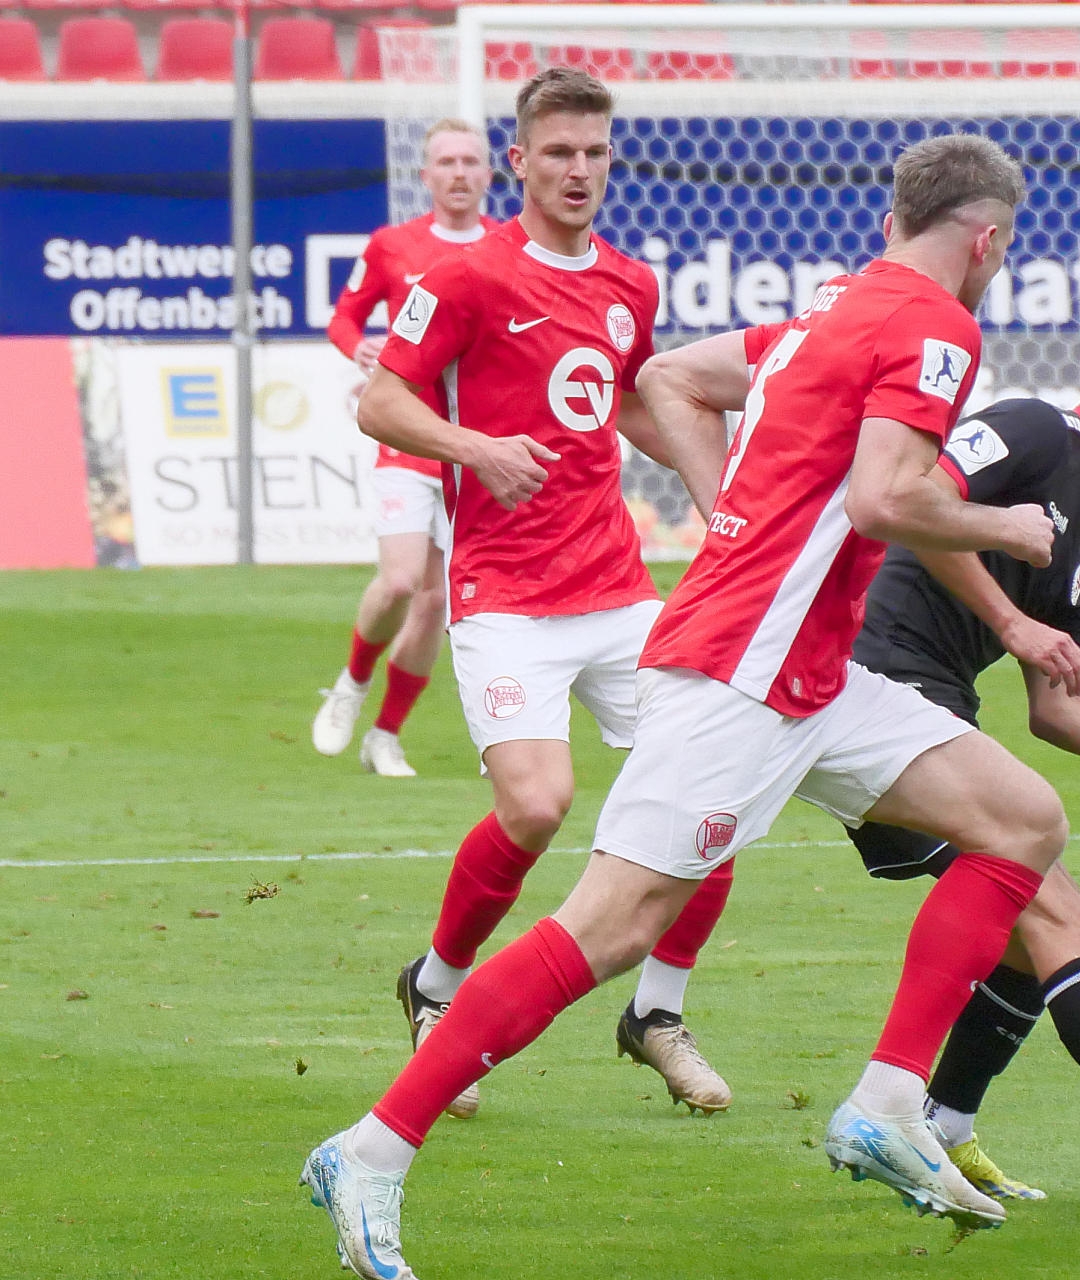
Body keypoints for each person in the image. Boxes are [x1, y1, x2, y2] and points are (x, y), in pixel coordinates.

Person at [302, 132, 1080, 1275]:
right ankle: (370, 1148)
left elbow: (668, 378)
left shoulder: (830, 309)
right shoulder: (935, 326)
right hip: (740, 673)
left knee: (1022, 818)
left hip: (808, 670)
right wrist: (1003, 525)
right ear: (987, 240)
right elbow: (882, 499)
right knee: (609, 927)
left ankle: (887, 1103)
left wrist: (730, 519)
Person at [633, 314, 1080, 1217]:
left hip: (926, 712)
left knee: (1018, 918)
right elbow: (915, 501)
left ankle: (942, 1124)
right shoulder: (1031, 429)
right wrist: (1010, 618)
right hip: (863, 691)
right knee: (1057, 909)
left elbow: (1058, 709)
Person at [301, 67, 670, 1229]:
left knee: (707, 775)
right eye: (557, 151)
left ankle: (660, 1007)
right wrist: (476, 447)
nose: (578, 169)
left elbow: (627, 397)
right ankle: (437, 980)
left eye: (594, 152)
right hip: (505, 590)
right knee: (538, 804)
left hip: (617, 586)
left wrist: (720, 480)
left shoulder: (630, 281)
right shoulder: (463, 276)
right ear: (520, 161)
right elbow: (381, 400)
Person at [312, 118, 494, 776]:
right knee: (398, 583)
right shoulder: (393, 246)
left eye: (469, 161)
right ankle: (352, 683)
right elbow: (344, 316)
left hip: (473, 447)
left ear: (490, 173)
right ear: (426, 175)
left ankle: (385, 735)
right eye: (446, 161)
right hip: (409, 437)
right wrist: (356, 347)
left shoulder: (507, 247)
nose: (458, 173)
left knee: (438, 601)